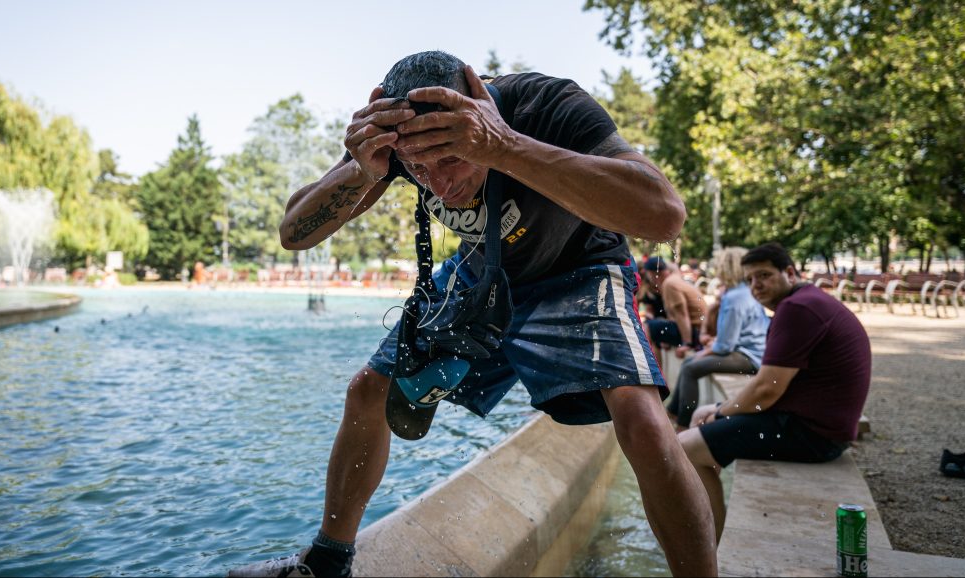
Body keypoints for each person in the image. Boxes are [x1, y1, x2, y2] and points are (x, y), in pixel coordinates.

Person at [228, 51, 716, 577]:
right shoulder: (401, 138)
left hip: (579, 265)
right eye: (419, 170)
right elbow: (294, 233)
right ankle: (326, 562)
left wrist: (503, 147)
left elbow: (665, 215)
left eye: (451, 160)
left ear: (477, 114)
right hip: (483, 267)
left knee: (641, 418)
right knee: (367, 389)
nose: (438, 185)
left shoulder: (546, 104)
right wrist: (357, 171)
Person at [678, 242, 871, 540]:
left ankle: (711, 543)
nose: (757, 285)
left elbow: (767, 389)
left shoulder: (797, 308)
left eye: (765, 275)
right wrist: (719, 410)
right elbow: (768, 388)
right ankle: (713, 518)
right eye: (751, 279)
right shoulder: (804, 302)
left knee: (686, 449)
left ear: (790, 273)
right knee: (701, 425)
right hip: (816, 424)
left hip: (815, 435)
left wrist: (719, 411)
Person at [665, 247, 769, 429]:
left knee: (691, 368)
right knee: (690, 363)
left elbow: (725, 346)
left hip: (749, 357)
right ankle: (673, 413)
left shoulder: (734, 298)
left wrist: (705, 352)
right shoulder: (744, 292)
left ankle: (682, 425)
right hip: (752, 352)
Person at [642, 258, 708, 359]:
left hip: (696, 333)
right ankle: (657, 371)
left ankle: (651, 371)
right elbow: (674, 317)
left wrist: (687, 344)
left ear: (652, 274)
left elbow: (682, 314)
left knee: (645, 327)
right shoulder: (674, 280)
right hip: (698, 330)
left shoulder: (670, 284)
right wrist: (666, 338)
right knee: (656, 326)